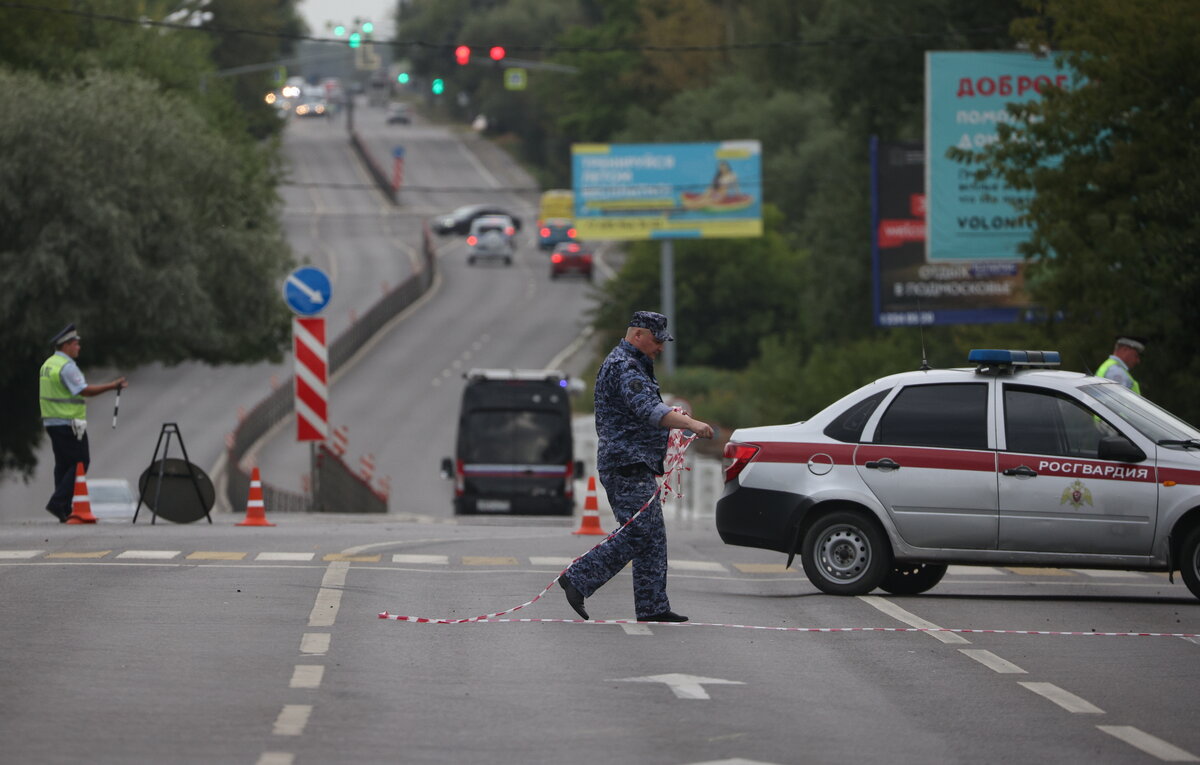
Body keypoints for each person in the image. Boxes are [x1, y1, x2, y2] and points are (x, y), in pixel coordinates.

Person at [558, 311, 714, 622]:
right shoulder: (624, 366)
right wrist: (691, 423)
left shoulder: (635, 365)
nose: (660, 348)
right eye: (656, 341)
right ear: (638, 335)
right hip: (625, 463)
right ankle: (578, 577)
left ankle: (652, 606)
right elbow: (649, 410)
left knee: (651, 533)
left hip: (634, 462)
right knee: (640, 531)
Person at [39, 324, 127, 522]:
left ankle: (63, 509)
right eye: (76, 344)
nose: (78, 347)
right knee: (80, 462)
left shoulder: (48, 364)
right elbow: (84, 390)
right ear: (67, 345)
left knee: (63, 464)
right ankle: (59, 502)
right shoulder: (66, 366)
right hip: (69, 422)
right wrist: (112, 386)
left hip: (52, 421)